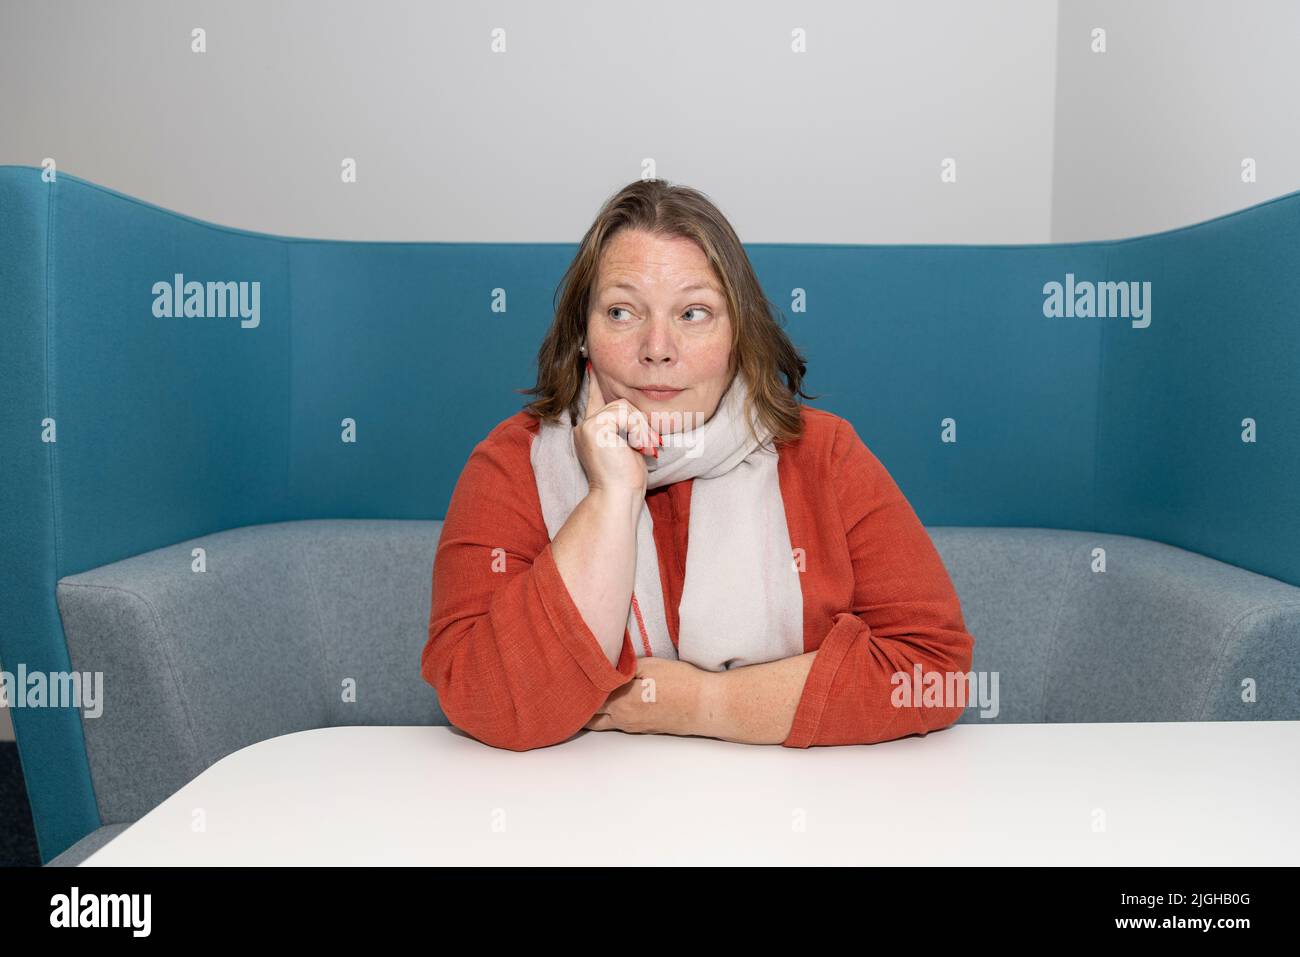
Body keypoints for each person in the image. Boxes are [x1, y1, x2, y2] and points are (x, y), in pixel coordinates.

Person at [421, 178, 974, 751]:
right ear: (581, 335)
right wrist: (611, 497)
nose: (657, 347)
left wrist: (699, 703)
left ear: (738, 332)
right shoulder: (514, 463)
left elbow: (932, 675)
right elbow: (485, 701)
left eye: (693, 313)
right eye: (621, 311)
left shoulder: (823, 456)